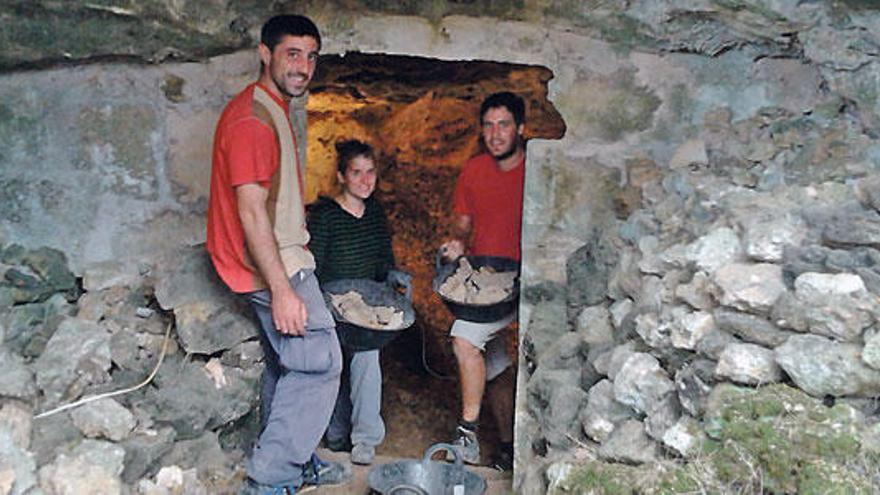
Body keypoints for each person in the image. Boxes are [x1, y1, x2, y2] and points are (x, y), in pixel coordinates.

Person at [205, 14, 350, 494]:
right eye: (292, 53)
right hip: (272, 264)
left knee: (289, 363)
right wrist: (284, 290)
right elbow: (250, 213)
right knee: (319, 362)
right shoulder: (252, 121)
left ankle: (294, 458)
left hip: (278, 256)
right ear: (265, 54)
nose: (303, 66)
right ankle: (272, 479)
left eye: (311, 56)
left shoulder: (270, 106)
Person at [308, 139, 410, 466]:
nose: (365, 181)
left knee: (366, 361)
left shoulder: (375, 213)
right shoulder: (324, 216)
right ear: (341, 176)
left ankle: (365, 439)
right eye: (356, 173)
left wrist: (395, 279)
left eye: (370, 172)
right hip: (332, 305)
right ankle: (336, 434)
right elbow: (315, 267)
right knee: (332, 367)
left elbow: (383, 260)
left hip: (365, 309)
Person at [439, 91, 526, 471]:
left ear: (521, 128)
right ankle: (506, 446)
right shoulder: (474, 169)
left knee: (464, 339)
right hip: (486, 283)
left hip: (524, 281)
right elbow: (463, 220)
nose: (496, 133)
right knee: (496, 367)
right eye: (488, 126)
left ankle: (467, 433)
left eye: (504, 124)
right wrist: (457, 240)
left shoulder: (537, 169)